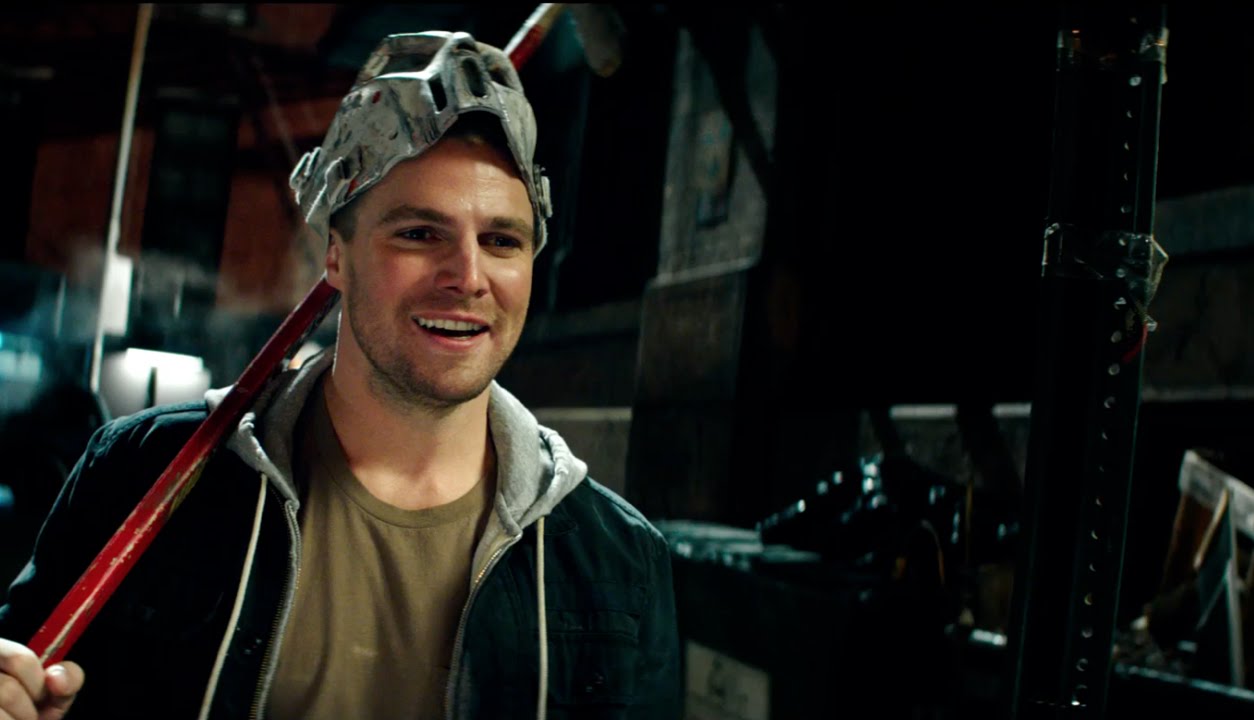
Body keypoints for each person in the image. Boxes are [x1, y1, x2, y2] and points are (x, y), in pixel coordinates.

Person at [0, 31, 680, 719]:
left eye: (502, 241)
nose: (469, 277)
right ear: (335, 256)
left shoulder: (619, 566)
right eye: (419, 234)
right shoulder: (139, 473)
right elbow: (25, 673)